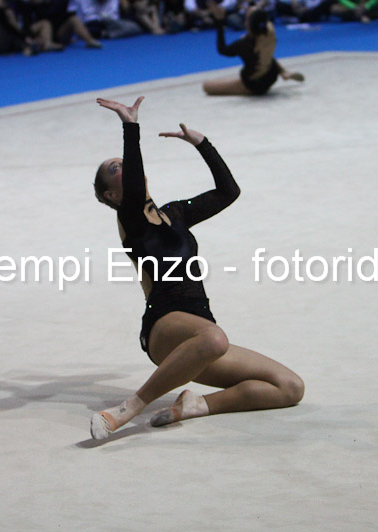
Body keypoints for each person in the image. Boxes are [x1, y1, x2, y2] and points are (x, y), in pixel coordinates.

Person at [90, 96, 304, 440]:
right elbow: (135, 185)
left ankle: (193, 405)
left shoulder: (174, 215)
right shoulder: (130, 222)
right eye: (116, 169)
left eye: (124, 163)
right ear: (111, 196)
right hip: (164, 326)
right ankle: (130, 407)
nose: (125, 167)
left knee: (289, 387)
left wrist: (202, 144)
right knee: (215, 338)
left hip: (201, 331)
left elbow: (228, 192)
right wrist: (130, 127)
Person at [202, 4, 304, 96]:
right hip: (272, 74)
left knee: (207, 86)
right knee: (263, 55)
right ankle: (284, 72)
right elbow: (259, 17)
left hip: (255, 84)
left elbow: (222, 50)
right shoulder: (269, 30)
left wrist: (219, 22)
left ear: (248, 24)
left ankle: (246, 89)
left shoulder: (244, 44)